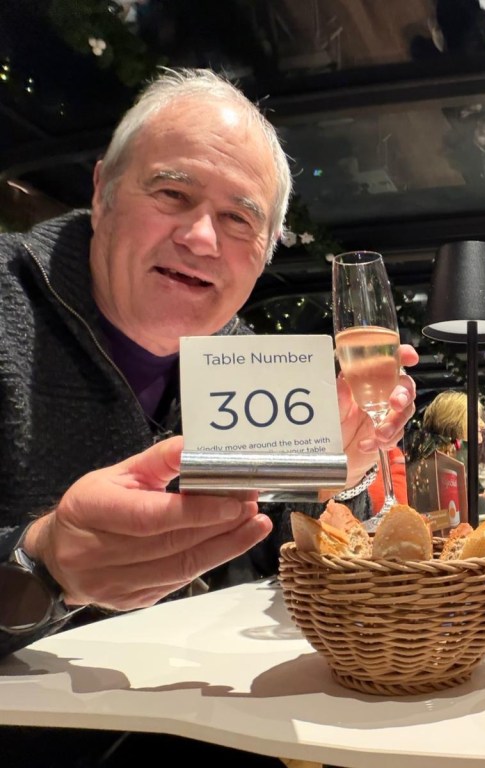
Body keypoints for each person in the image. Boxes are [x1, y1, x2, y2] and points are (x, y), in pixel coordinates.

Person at [0, 69, 418, 663]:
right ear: (102, 192)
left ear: (265, 252)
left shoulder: (254, 366)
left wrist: (338, 480)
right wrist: (40, 563)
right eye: (172, 194)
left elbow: (291, 569)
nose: (201, 238)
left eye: (238, 219)